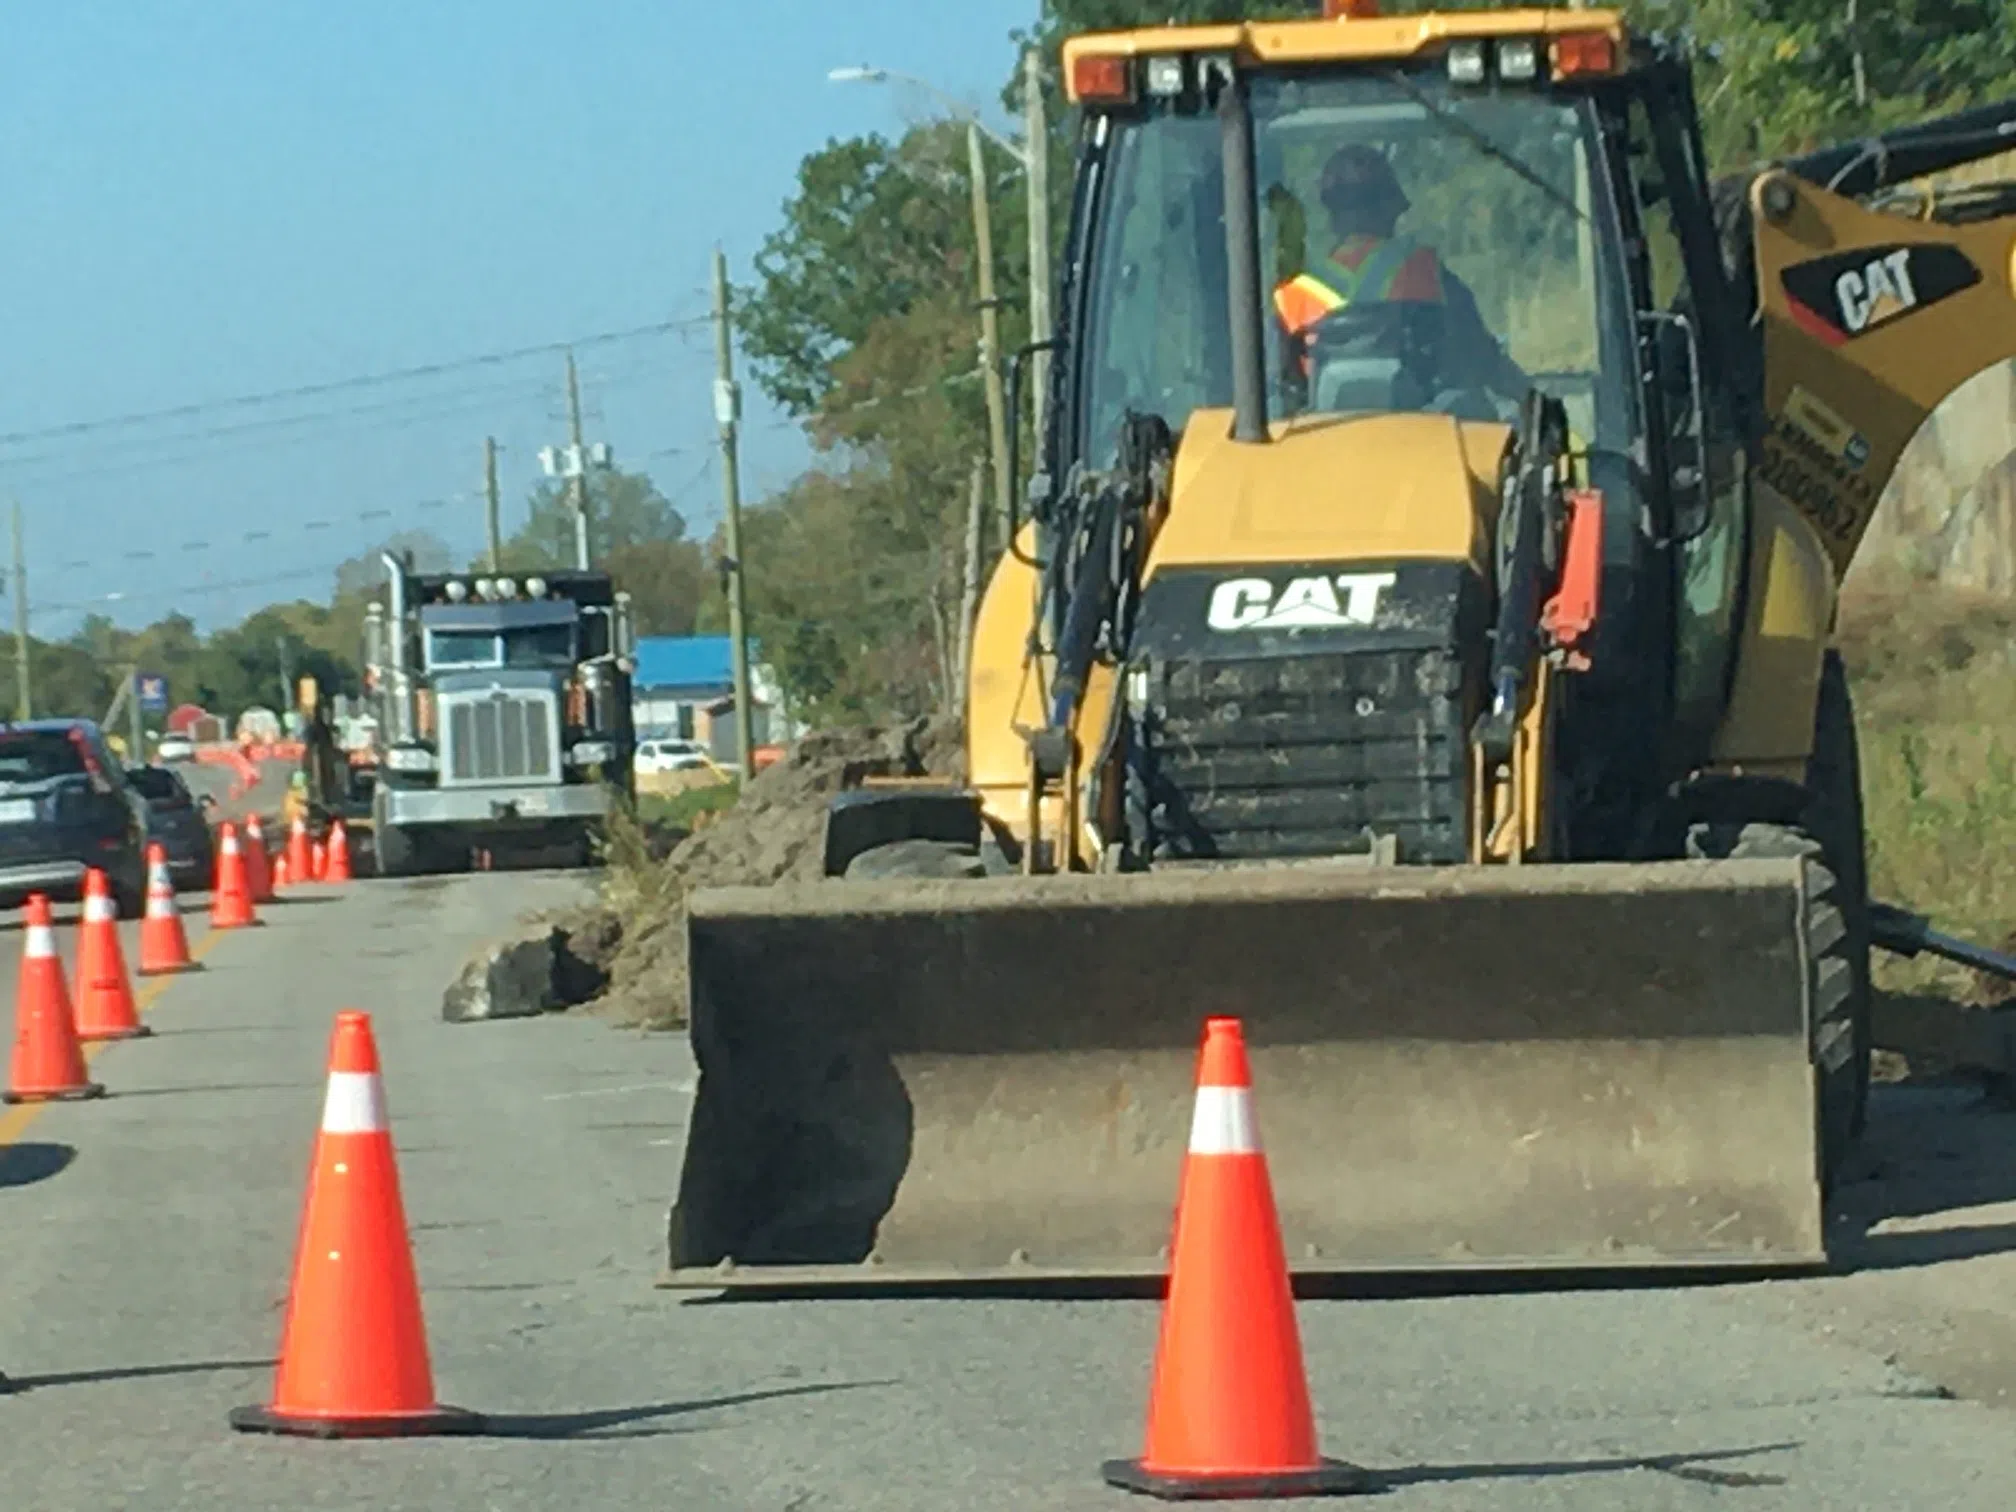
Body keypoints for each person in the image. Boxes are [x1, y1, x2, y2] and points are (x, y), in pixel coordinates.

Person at [1272, 144, 1529, 404]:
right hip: (1423, 435)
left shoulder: (1293, 295)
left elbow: (1284, 389)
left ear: (1332, 214)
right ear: (1391, 209)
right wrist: (1532, 400)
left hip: (1320, 441)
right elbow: (1482, 358)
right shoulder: (1427, 272)